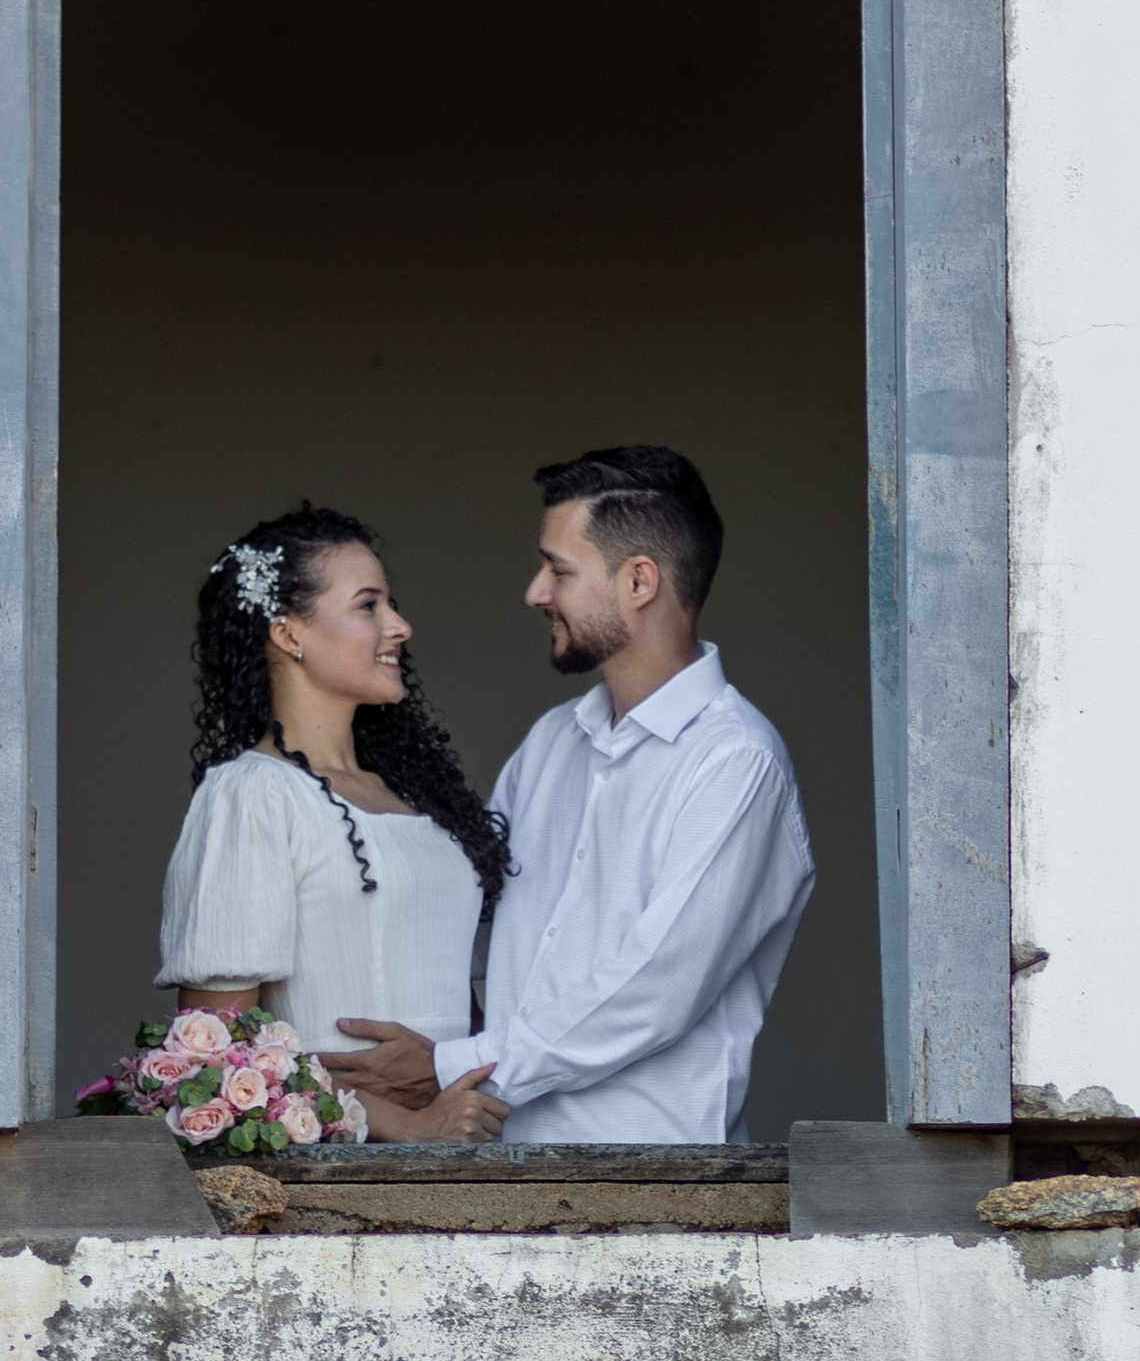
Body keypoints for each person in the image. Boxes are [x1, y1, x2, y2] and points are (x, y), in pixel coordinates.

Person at [328, 446, 813, 1146]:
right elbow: (478, 925)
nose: (536, 591)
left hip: (657, 1186)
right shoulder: (552, 742)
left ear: (639, 581)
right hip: (492, 1161)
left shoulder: (736, 761)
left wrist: (442, 1066)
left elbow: (653, 991)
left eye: (559, 569)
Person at [156, 504, 511, 1143]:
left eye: (390, 604)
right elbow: (214, 1053)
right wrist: (409, 1124)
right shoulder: (253, 794)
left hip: (472, 1142)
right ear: (288, 633)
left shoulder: (422, 800)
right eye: (368, 605)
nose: (399, 626)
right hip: (351, 1167)